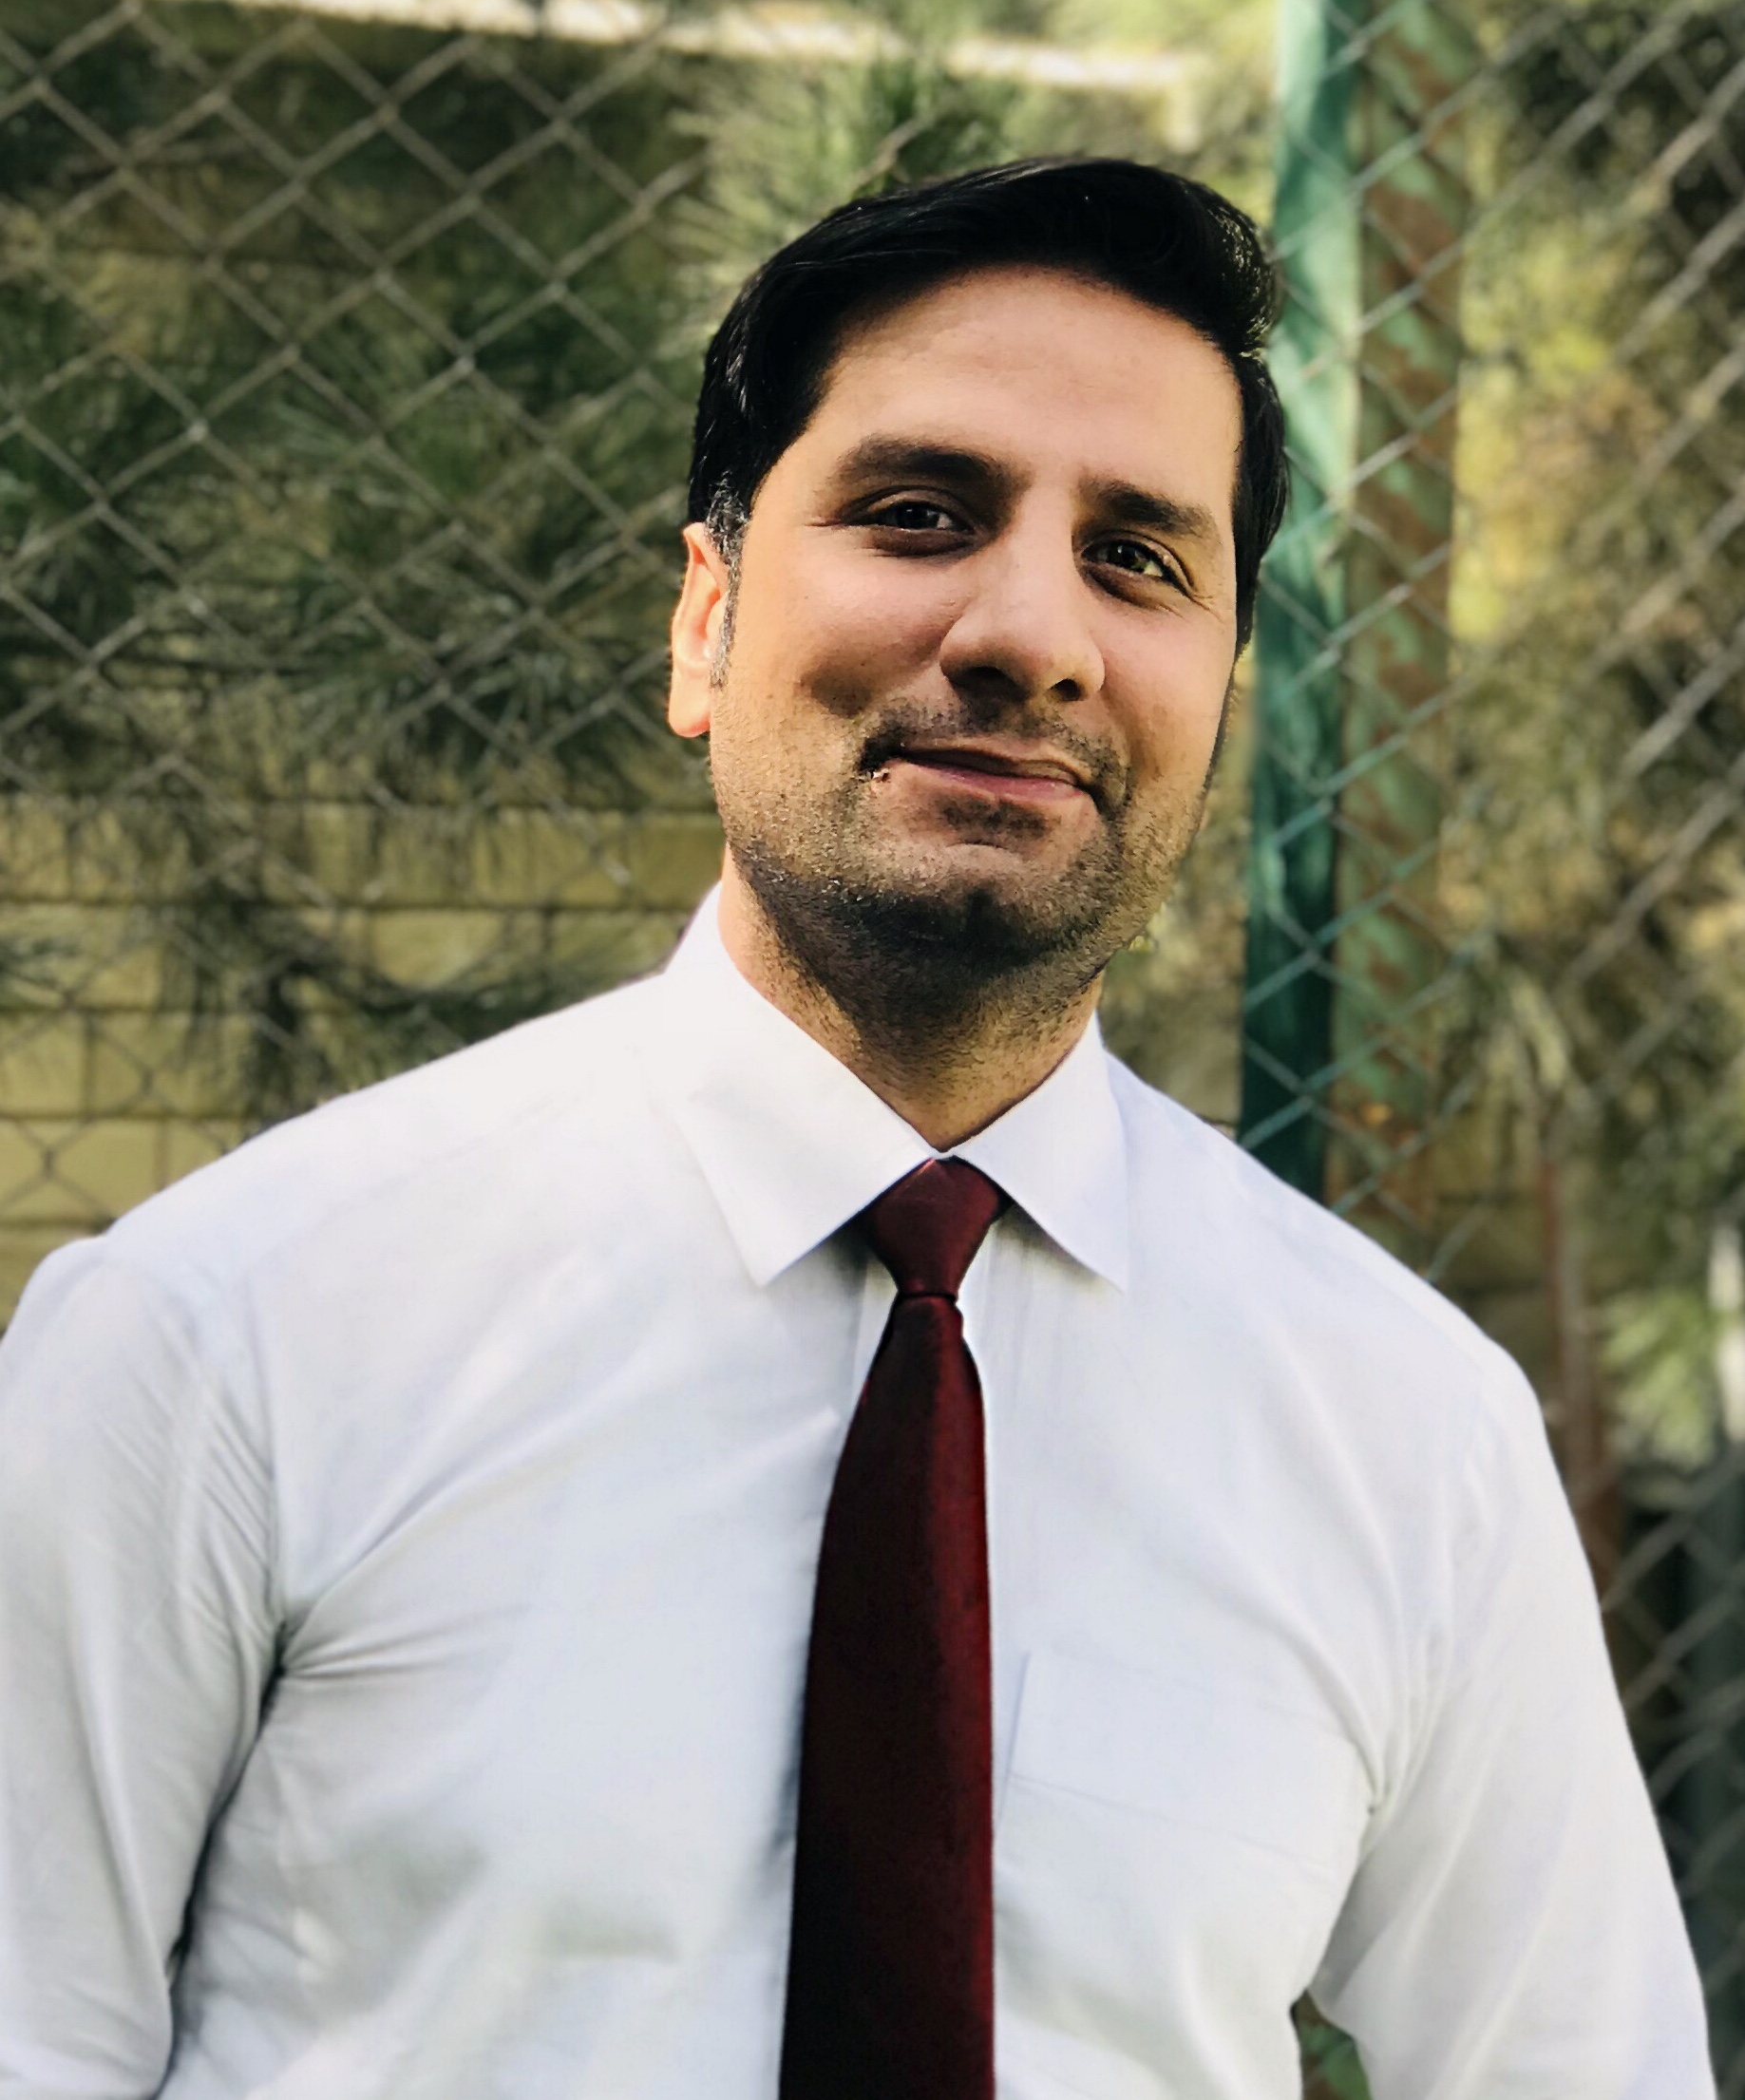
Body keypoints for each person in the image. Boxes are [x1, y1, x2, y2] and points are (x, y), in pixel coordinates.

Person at [0, 159, 1712, 2100]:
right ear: (704, 622)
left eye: (1137, 559)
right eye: (920, 514)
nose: (1030, 633)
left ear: (1218, 698)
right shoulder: (227, 1334)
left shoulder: (1408, 1432)